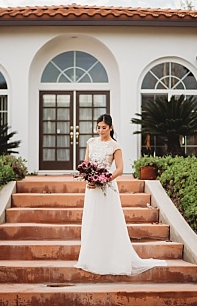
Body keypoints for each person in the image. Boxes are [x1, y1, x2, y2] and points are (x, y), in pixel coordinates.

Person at [74, 114, 167, 275]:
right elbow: (86, 164)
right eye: (98, 127)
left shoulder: (115, 146)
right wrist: (88, 178)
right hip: (91, 189)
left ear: (111, 128)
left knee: (108, 221)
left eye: (104, 127)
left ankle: (110, 259)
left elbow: (120, 169)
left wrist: (104, 179)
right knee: (92, 220)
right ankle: (91, 258)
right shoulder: (91, 142)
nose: (101, 130)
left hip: (107, 188)